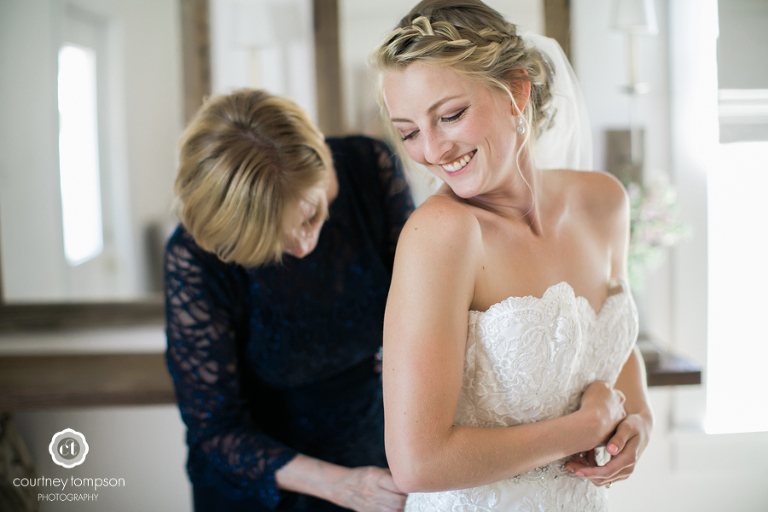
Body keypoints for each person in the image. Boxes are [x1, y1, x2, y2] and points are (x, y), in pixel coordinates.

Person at [370, 1, 653, 510]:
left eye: (450, 116)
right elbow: (417, 463)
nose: (432, 150)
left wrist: (638, 424)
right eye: (409, 132)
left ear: (516, 91)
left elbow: (611, 342)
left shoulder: (603, 201)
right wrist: (582, 428)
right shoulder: (442, 234)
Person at [165, 88, 413, 512]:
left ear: (323, 162)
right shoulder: (195, 258)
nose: (301, 247)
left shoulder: (371, 169)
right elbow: (215, 432)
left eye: (311, 215)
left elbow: (421, 304)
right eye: (272, 246)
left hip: (374, 450)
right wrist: (341, 485)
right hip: (263, 483)